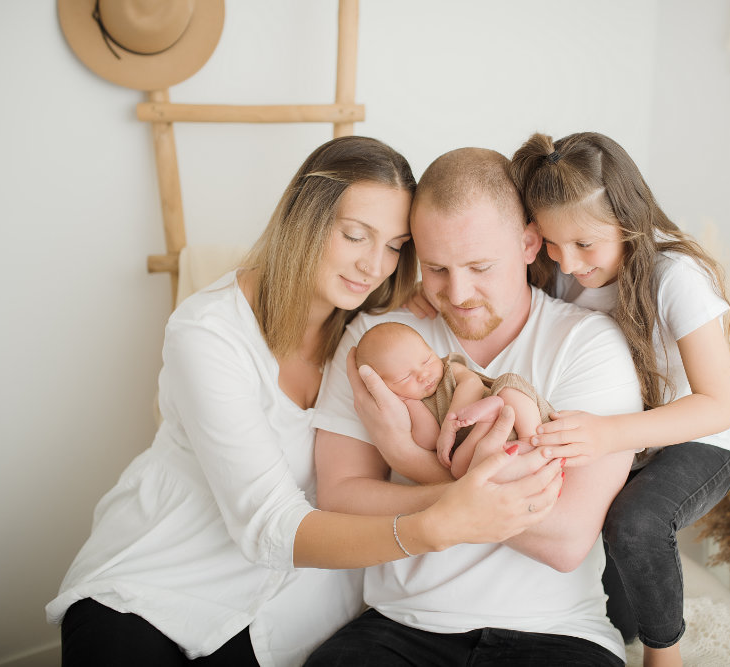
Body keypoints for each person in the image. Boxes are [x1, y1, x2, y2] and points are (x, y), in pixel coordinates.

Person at [45, 136, 563, 667]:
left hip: (286, 617)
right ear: (306, 220)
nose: (373, 266)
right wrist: (436, 524)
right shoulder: (209, 333)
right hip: (162, 583)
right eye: (356, 235)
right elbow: (269, 525)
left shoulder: (380, 331)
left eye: (394, 246)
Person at [306, 147, 643, 666]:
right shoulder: (378, 339)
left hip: (557, 634)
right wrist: (478, 498)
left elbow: (565, 540)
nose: (457, 293)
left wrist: (409, 460)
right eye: (436, 268)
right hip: (402, 627)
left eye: (479, 267)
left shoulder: (587, 344)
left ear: (530, 243)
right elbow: (341, 496)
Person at [507, 131, 730, 667]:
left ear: (628, 218)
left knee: (635, 524)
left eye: (585, 244)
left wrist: (608, 434)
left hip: (698, 439)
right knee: (623, 612)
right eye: (551, 243)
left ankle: (667, 658)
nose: (567, 264)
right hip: (619, 440)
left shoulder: (677, 278)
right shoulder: (566, 279)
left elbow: (718, 405)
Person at [355, 321, 553, 478]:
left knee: (509, 384)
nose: (423, 374)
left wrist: (450, 425)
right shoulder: (412, 405)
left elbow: (472, 384)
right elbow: (429, 440)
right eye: (405, 377)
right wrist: (409, 403)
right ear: (384, 388)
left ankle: (529, 438)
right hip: (489, 446)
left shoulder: (450, 369)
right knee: (459, 470)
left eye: (426, 360)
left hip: (519, 416)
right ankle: (489, 422)